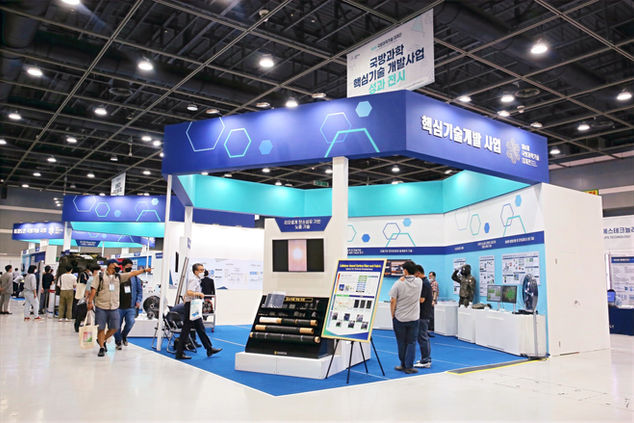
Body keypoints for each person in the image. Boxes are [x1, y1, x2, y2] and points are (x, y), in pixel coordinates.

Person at [87, 259, 151, 357]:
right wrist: (90, 302)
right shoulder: (100, 276)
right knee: (101, 328)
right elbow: (93, 289)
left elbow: (132, 274)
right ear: (110, 265)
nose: (118, 266)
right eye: (116, 264)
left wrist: (144, 270)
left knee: (115, 327)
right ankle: (102, 347)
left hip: (114, 307)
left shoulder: (119, 277)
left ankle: (103, 340)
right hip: (101, 306)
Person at [175, 263, 222, 360]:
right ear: (196, 271)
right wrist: (199, 294)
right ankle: (179, 353)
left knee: (200, 328)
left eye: (203, 270)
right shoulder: (193, 280)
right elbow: (189, 292)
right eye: (201, 270)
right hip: (191, 306)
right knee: (186, 330)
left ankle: (209, 348)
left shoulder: (197, 280)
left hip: (194, 306)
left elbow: (186, 294)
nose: (203, 272)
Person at [389, 260, 422, 374]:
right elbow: (416, 278)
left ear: (406, 271)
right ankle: (409, 366)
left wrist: (392, 314)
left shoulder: (398, 284)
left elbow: (393, 300)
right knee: (411, 342)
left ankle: (403, 364)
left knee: (401, 342)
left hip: (400, 318)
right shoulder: (419, 282)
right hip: (414, 318)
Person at [114, 259, 144, 350]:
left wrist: (138, 300)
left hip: (131, 306)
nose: (130, 268)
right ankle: (118, 341)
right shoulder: (117, 277)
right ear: (123, 266)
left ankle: (124, 336)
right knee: (116, 326)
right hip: (118, 306)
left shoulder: (135, 278)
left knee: (131, 322)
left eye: (131, 266)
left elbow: (139, 291)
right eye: (128, 266)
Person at [414, 265, 432, 368]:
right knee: (423, 337)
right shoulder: (424, 282)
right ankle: (425, 358)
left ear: (418, 273)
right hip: (424, 313)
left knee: (422, 337)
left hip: (423, 314)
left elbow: (422, 300)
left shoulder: (424, 283)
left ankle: (425, 360)